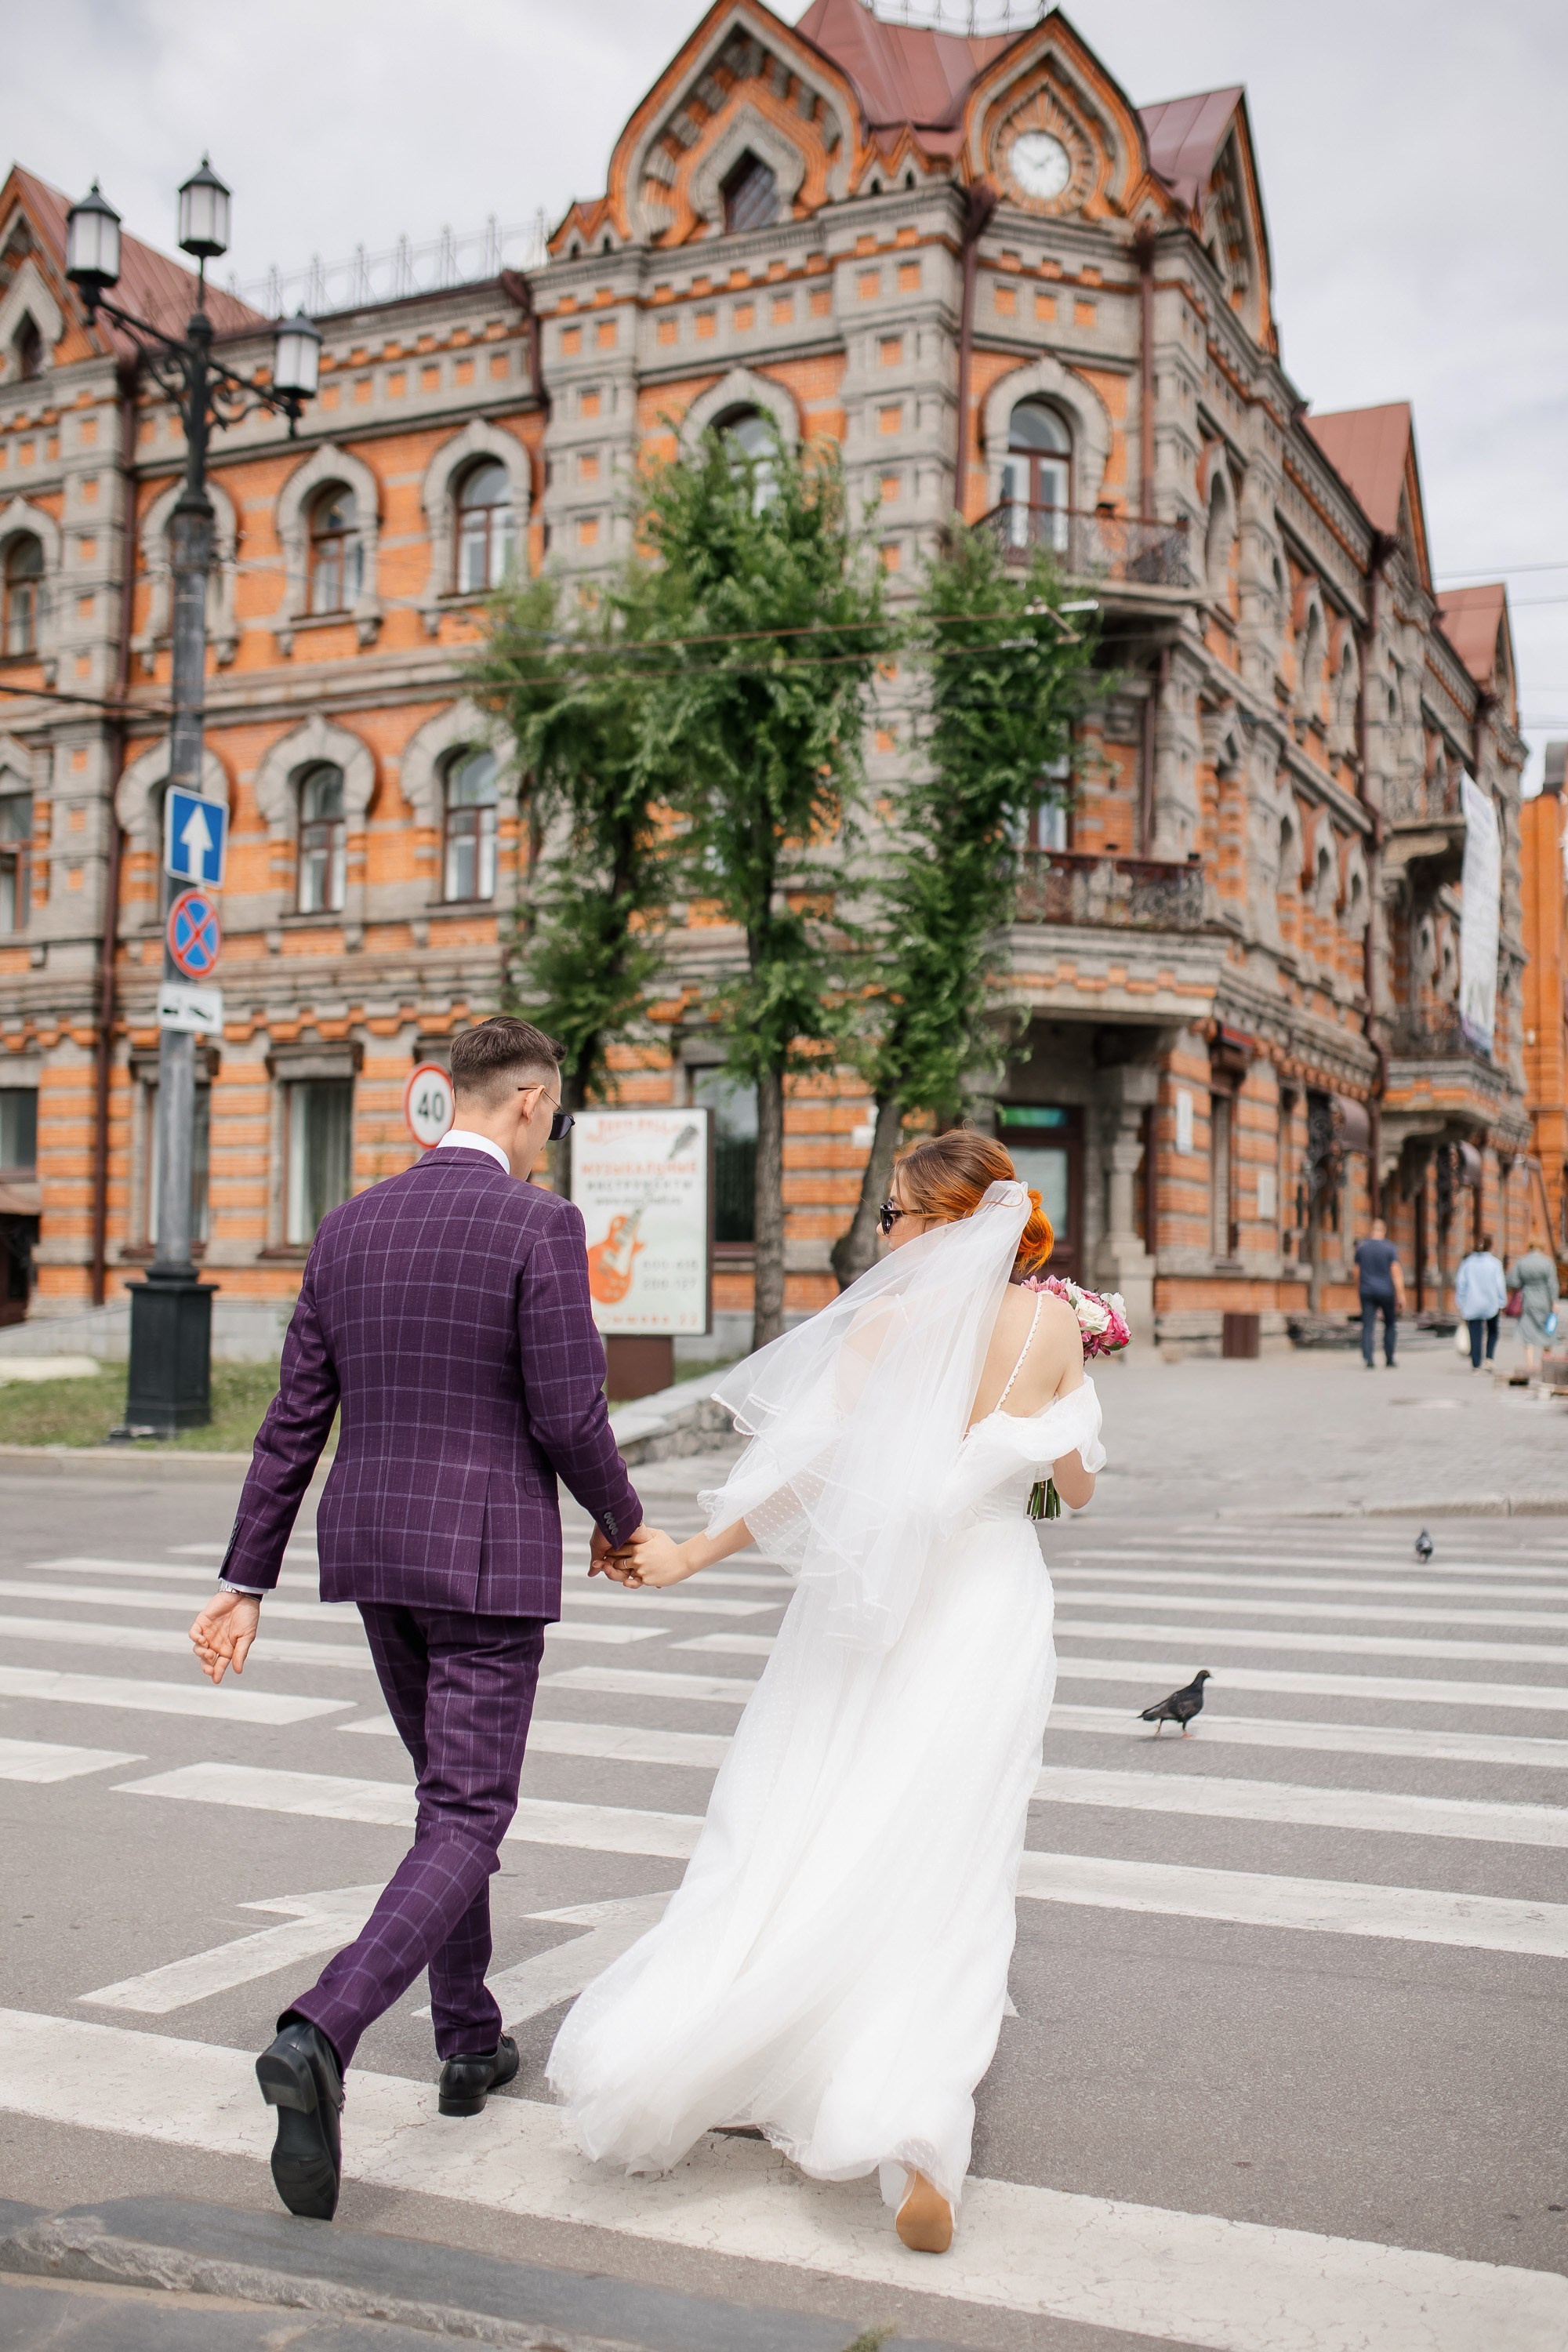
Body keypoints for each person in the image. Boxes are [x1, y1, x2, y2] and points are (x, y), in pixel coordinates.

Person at [550, 1132, 1105, 2256]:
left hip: (884, 1618)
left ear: (945, 1226)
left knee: (823, 1822)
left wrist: (695, 1554)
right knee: (958, 1859)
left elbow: (812, 1475)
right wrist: (1040, 1419)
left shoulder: (890, 1331)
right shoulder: (1055, 1326)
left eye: (896, 1216)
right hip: (994, 1608)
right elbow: (1076, 1488)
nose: (883, 1234)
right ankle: (915, 2126)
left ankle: (761, 2039)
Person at [186, 1017, 648, 2223]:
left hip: (374, 1551)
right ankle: (321, 2033)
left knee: (446, 1803)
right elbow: (566, 1409)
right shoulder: (539, 1224)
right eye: (551, 1115)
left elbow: (294, 1422)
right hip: (487, 1557)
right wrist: (622, 1521)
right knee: (469, 1810)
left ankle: (468, 2037)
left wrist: (244, 1583)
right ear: (531, 1103)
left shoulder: (348, 1227)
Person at [1353, 1217, 1404, 1369]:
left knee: (1368, 1325)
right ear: (1384, 1231)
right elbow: (1395, 1272)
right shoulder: (1389, 1248)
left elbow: (1357, 1271)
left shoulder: (1362, 1247)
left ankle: (1368, 1358)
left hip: (1367, 1291)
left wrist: (1359, 1289)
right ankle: (1389, 1358)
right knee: (1389, 1324)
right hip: (1386, 1291)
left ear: (1371, 1230)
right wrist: (1400, 1294)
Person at [1455, 1232, 1508, 1371]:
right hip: (1492, 1303)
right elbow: (1500, 1284)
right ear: (1490, 1246)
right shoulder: (1495, 1264)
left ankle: (1476, 1364)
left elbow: (1461, 1284)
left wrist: (1461, 1303)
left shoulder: (1467, 1263)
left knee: (1475, 1332)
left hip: (1473, 1303)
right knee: (1492, 1331)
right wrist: (1502, 1302)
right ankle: (1489, 1359)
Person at [1508, 1240, 1562, 1377]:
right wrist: (1554, 1301)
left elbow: (1512, 1281)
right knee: (1548, 1330)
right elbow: (1552, 1284)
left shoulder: (1522, 1261)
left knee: (1528, 1330)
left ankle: (1530, 1363)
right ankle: (1546, 1361)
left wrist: (1525, 1284)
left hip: (1528, 1299)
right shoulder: (1547, 1262)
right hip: (1544, 1300)